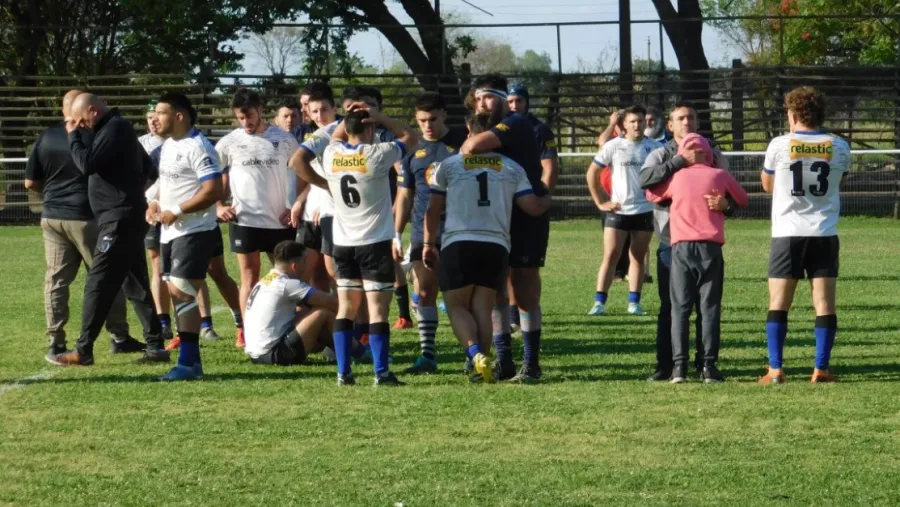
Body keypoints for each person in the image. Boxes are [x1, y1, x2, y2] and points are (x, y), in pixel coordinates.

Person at [424, 112, 552, 383]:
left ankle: (476, 355)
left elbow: (433, 208)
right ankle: (488, 368)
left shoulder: (450, 164)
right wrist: (548, 196)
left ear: (472, 133)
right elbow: (532, 207)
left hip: (458, 241)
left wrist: (427, 242)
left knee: (457, 306)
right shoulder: (512, 167)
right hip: (496, 244)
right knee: (484, 307)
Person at [298, 105, 418, 386]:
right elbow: (410, 136)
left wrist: (350, 120)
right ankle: (381, 373)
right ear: (369, 130)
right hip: (373, 243)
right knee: (377, 311)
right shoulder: (377, 154)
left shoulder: (331, 154)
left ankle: (343, 373)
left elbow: (337, 136)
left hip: (342, 243)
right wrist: (379, 117)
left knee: (345, 309)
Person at [47, 93, 168, 366]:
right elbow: (149, 169)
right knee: (134, 282)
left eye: (81, 121)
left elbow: (86, 164)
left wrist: (73, 136)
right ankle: (156, 346)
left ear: (92, 111)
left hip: (118, 220)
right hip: (124, 215)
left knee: (97, 282)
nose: (80, 126)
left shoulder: (115, 127)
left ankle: (83, 350)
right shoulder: (117, 128)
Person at [26, 89, 139, 358]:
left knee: (56, 280)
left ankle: (55, 340)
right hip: (87, 217)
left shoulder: (47, 136)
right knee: (105, 277)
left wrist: (53, 194)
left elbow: (30, 182)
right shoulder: (95, 132)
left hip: (52, 216)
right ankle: (119, 335)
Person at [460, 74, 550, 384]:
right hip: (495, 218)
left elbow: (470, 147)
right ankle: (504, 361)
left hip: (525, 217)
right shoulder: (488, 126)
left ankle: (531, 364)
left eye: (488, 97)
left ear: (502, 97)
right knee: (495, 289)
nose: (482, 104)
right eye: (478, 99)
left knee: (524, 290)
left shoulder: (516, 122)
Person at [758, 86, 850, 385]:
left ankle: (775, 370)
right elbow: (838, 181)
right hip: (824, 232)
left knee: (779, 303)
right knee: (824, 305)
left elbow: (768, 186)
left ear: (793, 114)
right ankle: (821, 369)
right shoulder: (840, 146)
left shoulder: (779, 145)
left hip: (787, 233)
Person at [639, 101, 732, 381]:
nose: (686, 122)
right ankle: (667, 366)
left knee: (707, 307)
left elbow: (731, 191)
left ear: (698, 122)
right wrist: (680, 162)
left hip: (706, 242)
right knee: (671, 306)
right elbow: (645, 179)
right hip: (671, 241)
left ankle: (706, 364)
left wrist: (726, 205)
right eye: (680, 118)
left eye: (690, 117)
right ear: (670, 125)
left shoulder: (714, 156)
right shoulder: (660, 154)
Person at [147, 92, 225, 381]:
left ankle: (188, 363)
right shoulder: (169, 145)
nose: (155, 117)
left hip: (194, 231)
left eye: (161, 112)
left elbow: (214, 190)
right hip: (170, 231)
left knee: (181, 292)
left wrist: (177, 210)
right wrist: (153, 201)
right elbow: (166, 182)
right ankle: (191, 363)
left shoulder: (198, 146)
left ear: (179, 116)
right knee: (177, 292)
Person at [215, 88, 300, 349]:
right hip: (245, 221)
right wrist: (219, 205)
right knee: (248, 278)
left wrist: (295, 205)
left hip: (279, 222)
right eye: (241, 118)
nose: (246, 123)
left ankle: (290, 327)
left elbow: (303, 173)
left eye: (249, 116)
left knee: (287, 277)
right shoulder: (229, 142)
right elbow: (212, 175)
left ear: (261, 111)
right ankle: (246, 330)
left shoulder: (284, 140)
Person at [394, 92, 468, 374]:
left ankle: (471, 351)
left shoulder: (462, 144)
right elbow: (403, 196)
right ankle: (427, 355)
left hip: (458, 229)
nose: (428, 125)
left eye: (433, 119)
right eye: (422, 120)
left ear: (444, 115)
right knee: (424, 291)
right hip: (422, 234)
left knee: (459, 294)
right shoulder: (412, 150)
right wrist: (395, 233)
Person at [340, 86, 414, 330]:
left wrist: (399, 198)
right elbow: (410, 139)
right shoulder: (375, 137)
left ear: (379, 107)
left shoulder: (385, 136)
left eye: (372, 104)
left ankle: (403, 314)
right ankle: (372, 327)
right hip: (363, 211)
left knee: (391, 261)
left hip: (380, 207)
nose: (367, 108)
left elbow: (400, 171)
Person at [586, 105, 661, 317]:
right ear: (624, 125)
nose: (637, 125)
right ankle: (599, 302)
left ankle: (634, 303)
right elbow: (592, 173)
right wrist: (600, 201)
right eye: (632, 121)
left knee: (637, 256)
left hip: (645, 210)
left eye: (640, 121)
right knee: (611, 255)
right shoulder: (613, 146)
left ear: (646, 123)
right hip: (618, 211)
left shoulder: (655, 147)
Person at [506, 83, 559, 334]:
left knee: (528, 267)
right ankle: (512, 315)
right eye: (511, 101)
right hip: (505, 202)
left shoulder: (540, 130)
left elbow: (549, 166)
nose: (515, 106)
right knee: (506, 265)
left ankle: (528, 312)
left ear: (527, 102)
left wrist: (544, 193)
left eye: (519, 101)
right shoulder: (501, 129)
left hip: (529, 201)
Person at [244, 241, 339, 365]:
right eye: (305, 261)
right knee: (322, 313)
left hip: (257, 353)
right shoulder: (288, 284)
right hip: (274, 354)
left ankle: (335, 350)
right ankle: (359, 352)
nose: (307, 265)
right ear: (294, 266)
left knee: (303, 311)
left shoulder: (267, 279)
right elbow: (335, 304)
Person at [293, 83, 341, 292]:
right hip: (310, 214)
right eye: (315, 111)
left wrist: (328, 195)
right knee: (310, 273)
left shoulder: (339, 134)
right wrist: (300, 201)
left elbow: (297, 163)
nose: (320, 115)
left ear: (334, 109)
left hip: (333, 213)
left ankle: (348, 321)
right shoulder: (314, 135)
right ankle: (325, 322)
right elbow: (315, 177)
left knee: (335, 275)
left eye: (324, 110)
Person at [138, 100, 177, 341]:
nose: (154, 120)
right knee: (157, 263)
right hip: (150, 210)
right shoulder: (140, 144)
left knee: (184, 269)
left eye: (157, 115)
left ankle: (204, 323)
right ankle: (164, 322)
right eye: (149, 116)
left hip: (177, 210)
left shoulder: (180, 142)